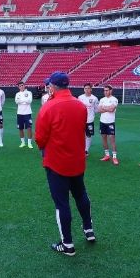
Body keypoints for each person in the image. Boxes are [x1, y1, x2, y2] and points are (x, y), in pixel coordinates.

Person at [35, 72, 96, 257]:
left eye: (48, 86)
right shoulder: (80, 105)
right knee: (81, 195)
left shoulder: (48, 107)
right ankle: (88, 230)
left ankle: (68, 244)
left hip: (57, 162)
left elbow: (40, 139)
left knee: (62, 204)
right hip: (77, 160)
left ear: (52, 87)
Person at [97, 85, 119, 165]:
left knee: (112, 139)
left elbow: (112, 109)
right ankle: (107, 155)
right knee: (103, 138)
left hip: (110, 122)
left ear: (111, 90)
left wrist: (104, 108)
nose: (105, 92)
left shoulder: (114, 99)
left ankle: (114, 157)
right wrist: (107, 108)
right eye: (104, 90)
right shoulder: (102, 99)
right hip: (102, 122)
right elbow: (98, 110)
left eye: (107, 90)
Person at [77, 83, 98, 157]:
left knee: (88, 135)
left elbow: (96, 109)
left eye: (88, 88)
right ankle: (79, 149)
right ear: (83, 89)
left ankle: (86, 150)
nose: (87, 90)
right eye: (85, 88)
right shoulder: (80, 97)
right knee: (80, 135)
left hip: (90, 120)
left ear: (91, 89)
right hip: (81, 120)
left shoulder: (94, 98)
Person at [15, 81, 34, 149]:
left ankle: (29, 143)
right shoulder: (17, 94)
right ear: (18, 87)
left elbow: (30, 101)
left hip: (27, 113)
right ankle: (23, 143)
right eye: (20, 86)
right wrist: (25, 100)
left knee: (29, 128)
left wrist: (21, 101)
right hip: (19, 113)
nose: (21, 87)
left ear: (24, 85)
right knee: (20, 128)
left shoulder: (29, 93)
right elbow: (17, 101)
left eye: (22, 85)